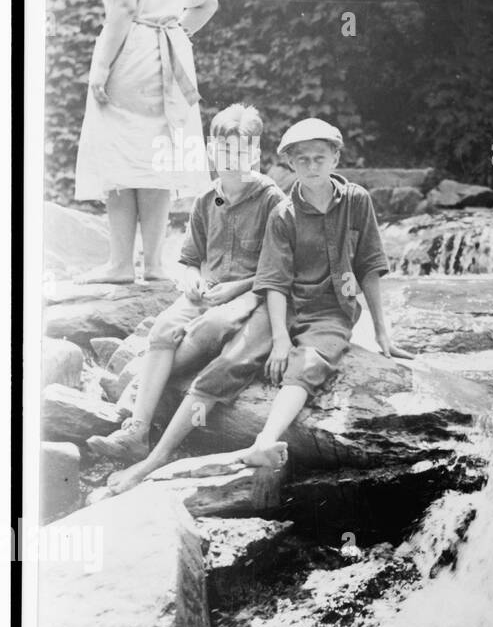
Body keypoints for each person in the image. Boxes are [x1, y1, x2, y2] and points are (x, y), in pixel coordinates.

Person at [98, 117, 412, 494]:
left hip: (331, 312)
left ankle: (264, 441)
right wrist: (279, 338)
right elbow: (275, 283)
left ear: (335, 158)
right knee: (230, 361)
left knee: (308, 365)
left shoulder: (357, 201)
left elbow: (370, 266)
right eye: (303, 160)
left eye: (320, 158)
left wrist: (382, 331)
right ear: (290, 164)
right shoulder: (283, 214)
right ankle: (156, 455)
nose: (312, 167)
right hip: (283, 306)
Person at [87, 104, 285, 469]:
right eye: (225, 151)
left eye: (242, 151)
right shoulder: (207, 200)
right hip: (206, 291)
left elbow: (278, 269)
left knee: (215, 326)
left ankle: (138, 389)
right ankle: (137, 432)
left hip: (250, 294)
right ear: (211, 152)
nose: (233, 159)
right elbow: (191, 258)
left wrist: (236, 288)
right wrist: (192, 280)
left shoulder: (272, 200)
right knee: (163, 327)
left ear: (256, 153)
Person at [67, 0, 219, 283]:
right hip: (172, 55)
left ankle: (119, 265)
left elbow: (124, 7)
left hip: (132, 56)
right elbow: (207, 3)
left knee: (119, 153)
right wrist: (175, 33)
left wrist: (100, 66)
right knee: (158, 156)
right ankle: (153, 265)